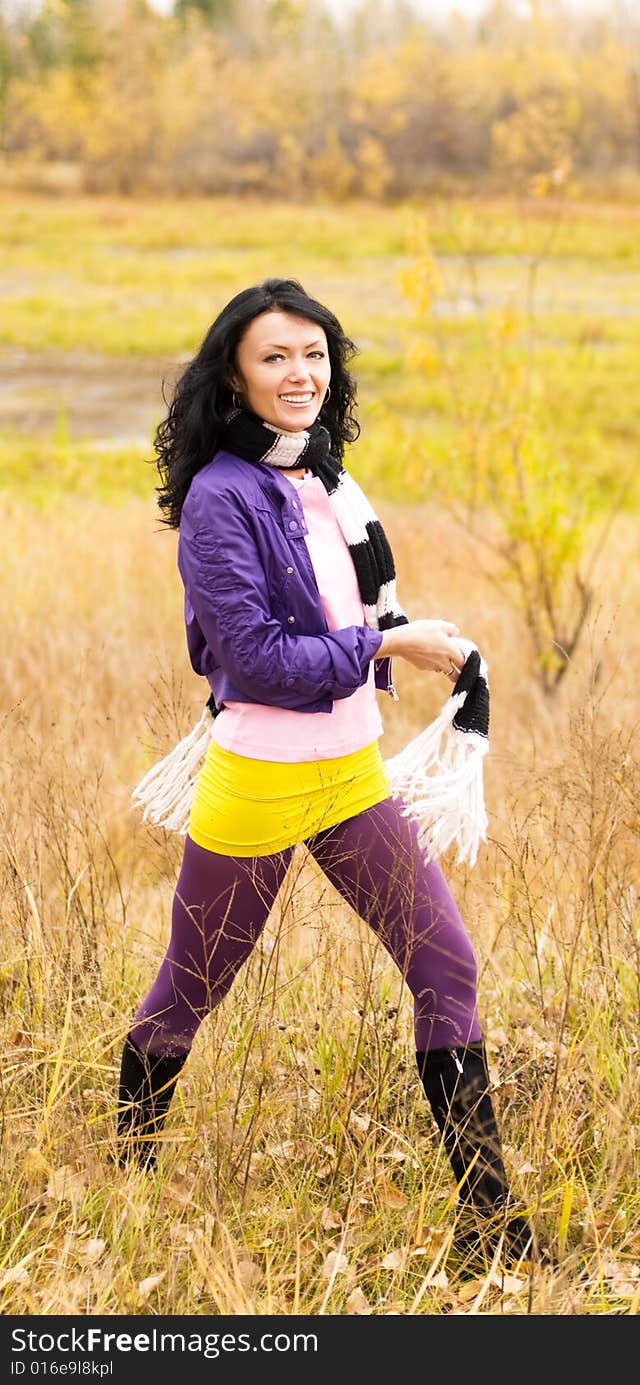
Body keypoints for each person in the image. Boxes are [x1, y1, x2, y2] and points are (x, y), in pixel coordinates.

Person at [116, 277, 546, 1270]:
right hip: (261, 781)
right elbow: (256, 660)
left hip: (352, 777)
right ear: (233, 373)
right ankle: (124, 1173)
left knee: (446, 967)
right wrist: (389, 642)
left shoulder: (322, 479)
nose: (299, 373)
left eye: (313, 354)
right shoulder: (222, 497)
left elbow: (337, 621)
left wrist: (389, 639)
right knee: (187, 993)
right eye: (275, 357)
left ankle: (493, 1222)